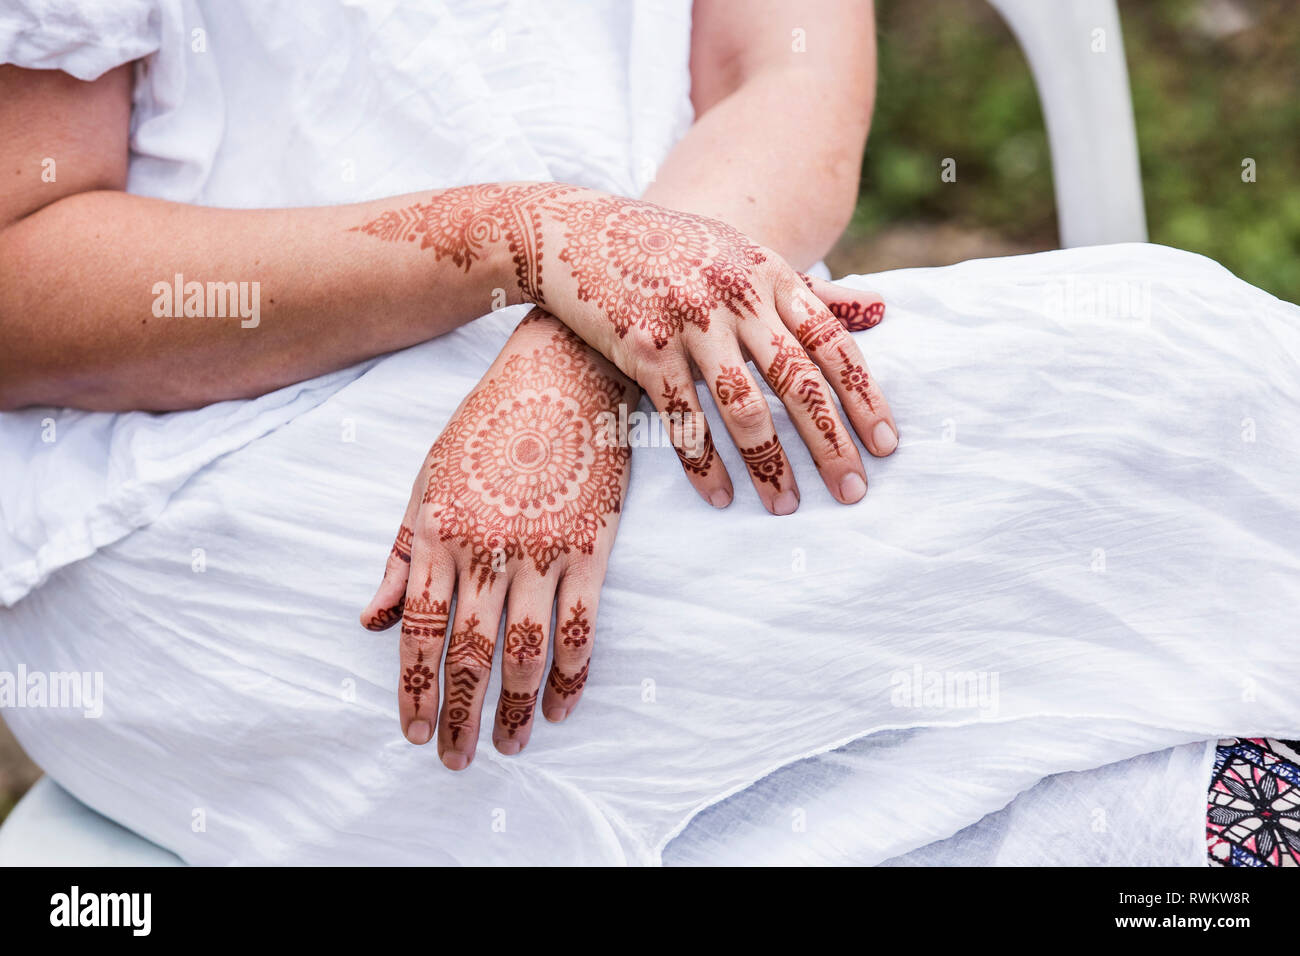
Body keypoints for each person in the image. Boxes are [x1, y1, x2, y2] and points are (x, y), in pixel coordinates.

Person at [0, 0, 895, 770]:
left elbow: (784, 75)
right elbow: (20, 277)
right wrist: (522, 240)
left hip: (692, 335)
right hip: (236, 444)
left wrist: (594, 327)